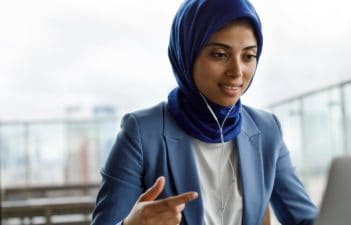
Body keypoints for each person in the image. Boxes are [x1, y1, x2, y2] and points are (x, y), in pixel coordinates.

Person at [91, 0, 318, 225]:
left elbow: (305, 219)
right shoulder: (141, 133)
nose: (237, 71)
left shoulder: (267, 129)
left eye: (248, 56)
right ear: (187, 55)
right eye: (219, 54)